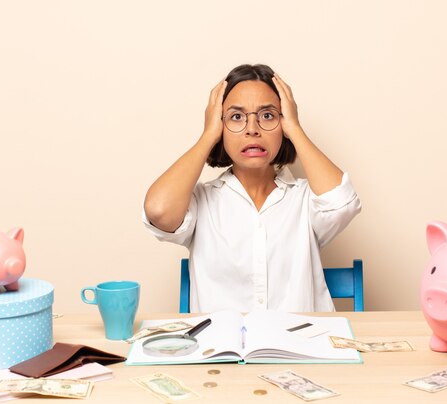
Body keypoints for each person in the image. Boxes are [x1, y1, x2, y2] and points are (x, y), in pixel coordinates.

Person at [143, 64, 361, 312]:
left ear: (284, 123)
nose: (252, 129)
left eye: (268, 115)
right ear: (220, 127)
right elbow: (159, 211)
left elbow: (342, 203)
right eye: (236, 117)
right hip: (223, 349)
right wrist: (207, 136)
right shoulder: (201, 201)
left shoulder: (305, 199)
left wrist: (296, 129)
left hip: (300, 347)